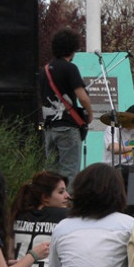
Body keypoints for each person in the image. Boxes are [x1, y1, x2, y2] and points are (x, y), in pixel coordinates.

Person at [0, 171, 70, 267]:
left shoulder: (17, 214)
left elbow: (10, 256)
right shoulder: (64, 216)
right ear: (45, 197)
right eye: (61, 192)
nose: (68, 196)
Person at [40, 28, 94, 185]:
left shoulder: (44, 71)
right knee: (69, 173)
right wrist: (89, 113)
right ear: (72, 48)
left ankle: (50, 205)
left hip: (49, 128)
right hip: (67, 128)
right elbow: (82, 97)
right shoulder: (70, 68)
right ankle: (66, 207)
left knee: (50, 174)